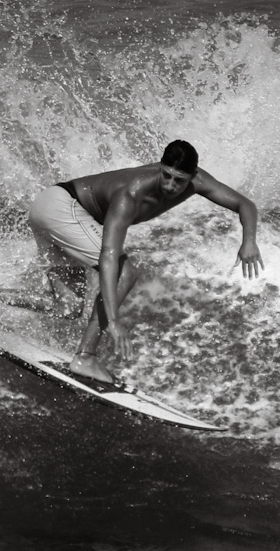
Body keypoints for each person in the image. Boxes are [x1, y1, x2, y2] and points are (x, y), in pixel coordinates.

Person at [26, 139, 262, 384]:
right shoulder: (132, 193)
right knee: (126, 272)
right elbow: (108, 256)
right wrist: (114, 322)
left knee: (67, 306)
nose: (171, 185)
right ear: (160, 167)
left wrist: (249, 241)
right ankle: (86, 356)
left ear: (192, 176)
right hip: (63, 207)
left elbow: (245, 204)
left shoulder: (199, 181)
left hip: (48, 207)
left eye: (179, 180)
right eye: (166, 176)